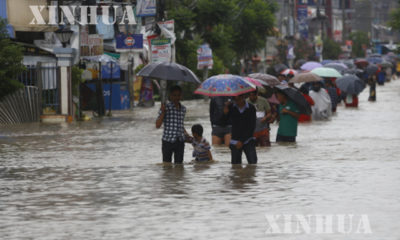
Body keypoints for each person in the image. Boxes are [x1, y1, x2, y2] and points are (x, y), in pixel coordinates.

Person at [223, 94, 257, 164]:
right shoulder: (231, 107)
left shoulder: (251, 108)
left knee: (253, 164)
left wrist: (241, 141)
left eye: (238, 99)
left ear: (243, 97)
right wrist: (225, 112)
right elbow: (224, 122)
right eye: (235, 100)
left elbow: (252, 126)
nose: (237, 102)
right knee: (235, 167)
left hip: (248, 140)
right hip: (235, 140)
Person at [156, 86, 187, 164]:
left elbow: (180, 124)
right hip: (168, 141)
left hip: (180, 141)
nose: (176, 97)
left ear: (181, 96)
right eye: (174, 95)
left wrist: (187, 135)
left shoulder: (183, 109)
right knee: (167, 165)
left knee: (179, 166)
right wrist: (163, 112)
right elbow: (157, 125)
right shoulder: (166, 108)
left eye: (178, 95)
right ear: (170, 96)